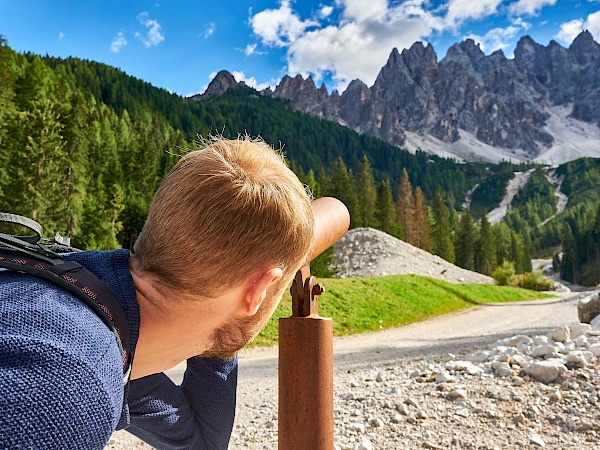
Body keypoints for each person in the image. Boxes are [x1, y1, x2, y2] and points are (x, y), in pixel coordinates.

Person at [0, 137, 315, 449]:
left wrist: (225, 328)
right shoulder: (73, 386)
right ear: (258, 291)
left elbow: (200, 444)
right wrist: (232, 316)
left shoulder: (83, 290)